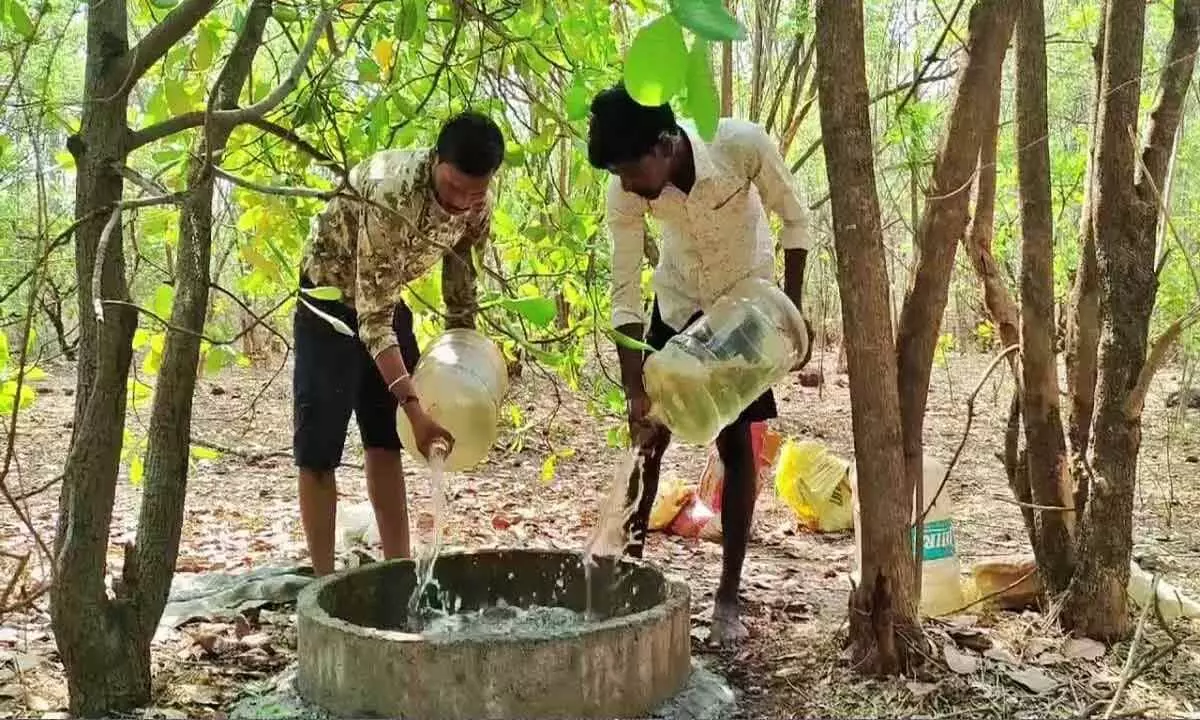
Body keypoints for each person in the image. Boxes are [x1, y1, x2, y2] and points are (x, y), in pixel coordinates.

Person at [587, 84, 814, 644]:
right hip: (679, 304)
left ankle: (728, 597)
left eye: (630, 170)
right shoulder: (626, 192)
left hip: (745, 316)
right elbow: (623, 292)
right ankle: (629, 579)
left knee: (736, 447)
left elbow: (796, 221)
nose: (625, 184)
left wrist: (786, 318)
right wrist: (634, 384)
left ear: (665, 146)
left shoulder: (739, 145)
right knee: (647, 442)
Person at [293, 111, 504, 576]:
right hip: (329, 300)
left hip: (386, 301)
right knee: (320, 449)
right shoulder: (393, 193)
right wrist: (414, 406)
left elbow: (461, 277)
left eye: (475, 193)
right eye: (452, 189)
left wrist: (465, 352)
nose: (462, 204)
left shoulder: (476, 204)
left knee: (386, 440)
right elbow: (372, 320)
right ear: (435, 162)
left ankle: (398, 572)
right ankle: (324, 582)